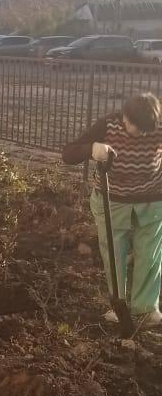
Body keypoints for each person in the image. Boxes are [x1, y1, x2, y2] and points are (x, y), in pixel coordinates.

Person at [63, 92, 162, 327]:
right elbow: (68, 154)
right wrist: (91, 149)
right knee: (114, 256)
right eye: (130, 124)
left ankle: (146, 310)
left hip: (151, 201)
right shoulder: (108, 124)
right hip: (112, 201)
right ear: (124, 115)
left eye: (141, 129)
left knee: (150, 256)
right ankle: (119, 308)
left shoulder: (157, 126)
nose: (134, 131)